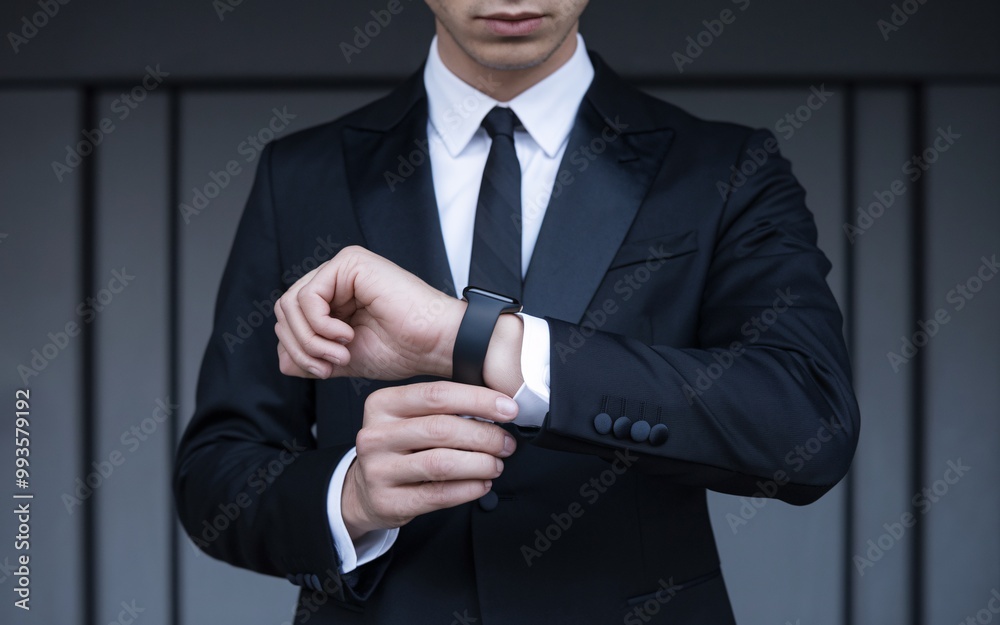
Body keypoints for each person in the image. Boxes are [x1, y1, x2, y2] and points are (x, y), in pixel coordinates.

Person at [174, 1, 860, 623]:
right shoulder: (301, 175)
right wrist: (349, 497)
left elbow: (806, 422)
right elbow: (215, 478)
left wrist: (471, 340)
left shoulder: (725, 168)